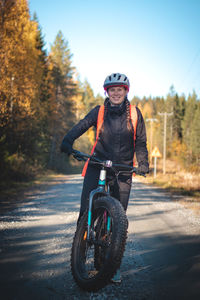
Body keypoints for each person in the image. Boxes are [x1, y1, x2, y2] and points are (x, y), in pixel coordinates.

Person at [61, 73, 149, 282]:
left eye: (120, 89)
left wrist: (143, 163)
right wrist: (67, 141)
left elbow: (141, 143)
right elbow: (81, 125)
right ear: (107, 92)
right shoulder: (99, 111)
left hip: (123, 169)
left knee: (119, 218)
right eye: (112, 90)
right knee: (86, 210)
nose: (116, 93)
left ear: (126, 91)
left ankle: (109, 263)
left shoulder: (135, 114)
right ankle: (79, 253)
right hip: (97, 164)